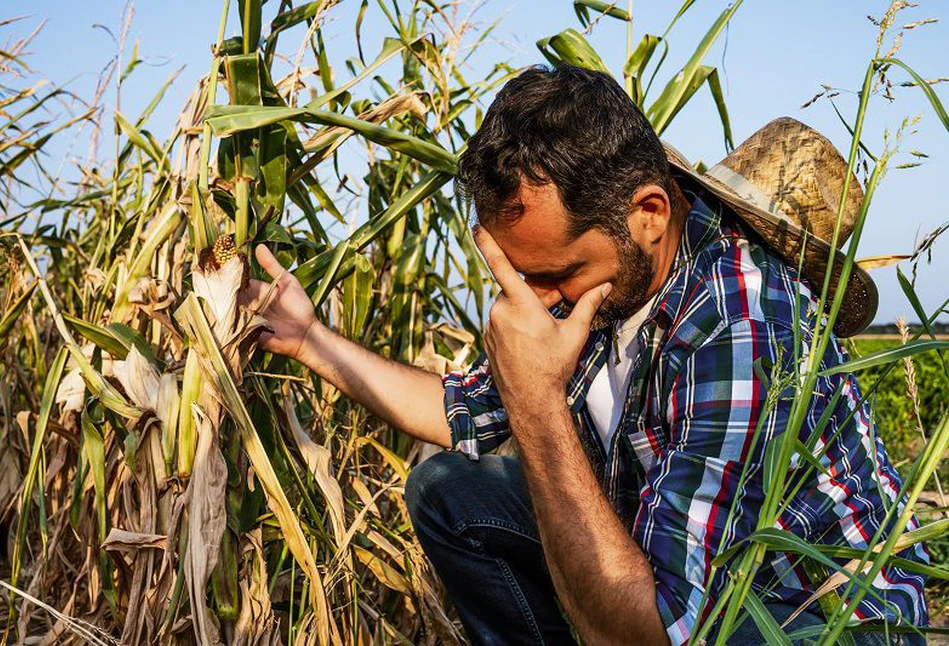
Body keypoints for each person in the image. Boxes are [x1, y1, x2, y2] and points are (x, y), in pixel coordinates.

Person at [240, 65, 929, 645]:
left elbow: (665, 627)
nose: (532, 301)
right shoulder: (603, 280)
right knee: (450, 490)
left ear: (649, 215)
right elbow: (464, 410)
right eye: (516, 275)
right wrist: (308, 338)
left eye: (552, 274)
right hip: (685, 575)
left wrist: (537, 403)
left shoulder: (743, 324)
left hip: (823, 613)